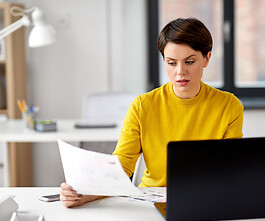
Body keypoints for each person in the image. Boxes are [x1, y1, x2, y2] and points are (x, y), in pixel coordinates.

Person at [60, 17, 243, 208]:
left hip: (206, 199)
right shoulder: (143, 106)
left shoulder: (228, 106)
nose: (180, 72)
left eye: (189, 62)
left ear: (206, 58)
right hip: (152, 201)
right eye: (171, 63)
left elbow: (229, 169)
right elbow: (120, 167)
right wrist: (87, 194)